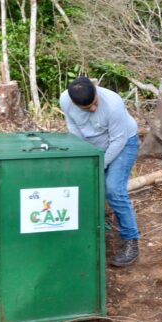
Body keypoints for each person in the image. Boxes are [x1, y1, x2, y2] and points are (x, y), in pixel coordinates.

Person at [60, 76, 140, 266]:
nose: (93, 109)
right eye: (87, 109)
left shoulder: (112, 103)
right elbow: (73, 127)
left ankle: (131, 241)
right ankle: (93, 233)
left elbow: (118, 140)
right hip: (92, 145)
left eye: (95, 103)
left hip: (124, 143)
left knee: (113, 188)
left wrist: (99, 164)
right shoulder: (65, 100)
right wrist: (85, 154)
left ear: (96, 90)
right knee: (88, 186)